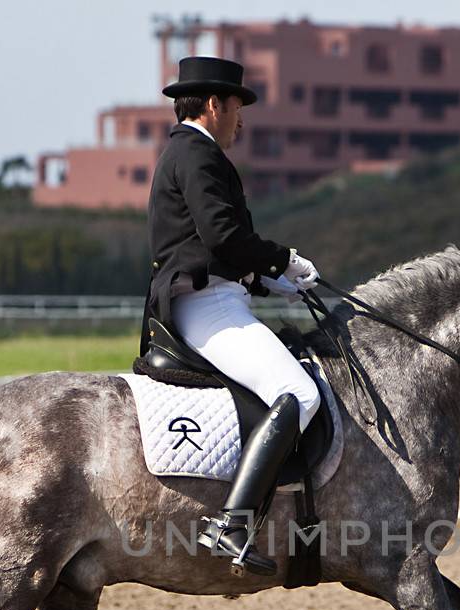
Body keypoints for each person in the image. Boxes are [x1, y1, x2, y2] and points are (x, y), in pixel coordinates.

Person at [142, 55, 322, 576]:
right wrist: (283, 258)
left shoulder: (193, 153)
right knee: (299, 394)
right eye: (238, 107)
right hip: (206, 306)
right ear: (215, 104)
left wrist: (272, 281)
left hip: (219, 295)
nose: (242, 119)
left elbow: (213, 248)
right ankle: (233, 523)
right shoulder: (197, 154)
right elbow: (223, 236)